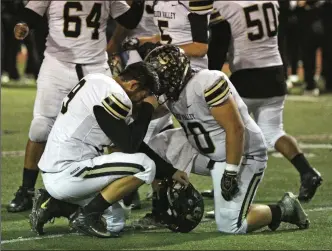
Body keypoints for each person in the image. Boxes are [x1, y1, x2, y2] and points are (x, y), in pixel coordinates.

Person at [144, 45, 310, 234]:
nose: (157, 85)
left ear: (173, 75)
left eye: (159, 78)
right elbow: (149, 112)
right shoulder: (172, 91)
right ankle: (162, 208)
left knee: (230, 225)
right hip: (203, 149)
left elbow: (236, 129)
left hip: (240, 155)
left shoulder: (207, 82)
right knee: (155, 147)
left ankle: (284, 210)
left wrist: (231, 172)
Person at [8, 0, 146, 213]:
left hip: (96, 66)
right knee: (40, 127)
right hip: (58, 65)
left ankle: (125, 188)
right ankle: (26, 190)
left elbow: (128, 19)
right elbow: (31, 14)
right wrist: (24, 24)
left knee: (116, 125)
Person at [29, 62, 189, 237]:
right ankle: (87, 216)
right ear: (133, 85)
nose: (143, 100)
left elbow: (131, 142)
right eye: (144, 94)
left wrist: (170, 171)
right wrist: (147, 109)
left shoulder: (96, 80)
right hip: (69, 170)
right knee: (145, 166)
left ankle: (54, 205)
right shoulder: (114, 93)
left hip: (62, 169)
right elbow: (130, 146)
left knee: (114, 221)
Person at [198, 0, 322, 203]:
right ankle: (308, 172)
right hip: (275, 71)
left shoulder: (225, 3)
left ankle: (229, 183)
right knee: (273, 132)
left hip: (247, 74)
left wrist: (210, 72)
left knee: (227, 131)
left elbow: (219, 39)